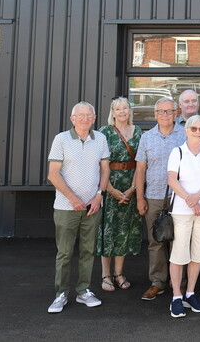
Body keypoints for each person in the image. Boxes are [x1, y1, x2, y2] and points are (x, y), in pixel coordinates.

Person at [46, 102, 110, 314]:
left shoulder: (100, 138)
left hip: (92, 206)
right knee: (64, 253)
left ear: (94, 118)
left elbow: (105, 170)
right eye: (80, 116)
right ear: (72, 119)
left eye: (89, 115)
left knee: (87, 251)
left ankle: (83, 291)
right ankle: (60, 294)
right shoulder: (61, 139)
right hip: (66, 207)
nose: (85, 119)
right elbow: (53, 174)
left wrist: (99, 195)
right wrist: (73, 198)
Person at [167, 115, 200, 318]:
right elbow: (172, 180)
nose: (197, 132)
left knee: (198, 254)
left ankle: (190, 293)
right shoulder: (177, 152)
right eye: (194, 129)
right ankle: (176, 297)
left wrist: (198, 197)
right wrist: (190, 200)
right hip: (182, 210)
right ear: (186, 131)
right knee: (179, 255)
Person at [135, 97, 186, 301]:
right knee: (156, 242)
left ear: (176, 113)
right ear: (155, 115)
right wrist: (140, 198)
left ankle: (179, 285)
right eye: (161, 111)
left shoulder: (184, 135)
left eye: (169, 111)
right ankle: (158, 282)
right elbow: (140, 170)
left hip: (179, 197)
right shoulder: (147, 138)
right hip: (153, 197)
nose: (165, 115)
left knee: (179, 242)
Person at [96, 97, 143, 293]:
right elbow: (98, 165)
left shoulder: (138, 131)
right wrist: (112, 191)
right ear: (112, 112)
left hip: (132, 185)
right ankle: (105, 275)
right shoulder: (103, 132)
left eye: (125, 108)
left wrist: (132, 189)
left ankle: (119, 273)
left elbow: (141, 163)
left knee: (125, 230)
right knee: (108, 231)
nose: (122, 111)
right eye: (118, 108)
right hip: (109, 186)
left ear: (130, 111)